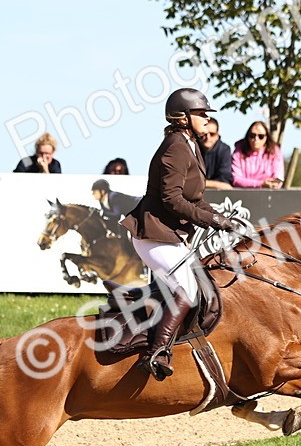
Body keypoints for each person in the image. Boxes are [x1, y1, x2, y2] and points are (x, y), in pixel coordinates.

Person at [120, 87, 241, 381]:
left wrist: (218, 217)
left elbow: (195, 198)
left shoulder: (190, 144)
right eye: (200, 114)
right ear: (182, 117)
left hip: (169, 235)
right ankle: (156, 353)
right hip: (153, 234)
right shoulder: (175, 145)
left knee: (198, 286)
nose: (206, 119)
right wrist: (211, 221)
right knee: (186, 290)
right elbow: (171, 199)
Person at [231, 121, 284, 189]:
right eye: (252, 135)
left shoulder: (275, 152)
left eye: (261, 136)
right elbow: (236, 179)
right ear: (247, 136)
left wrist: (273, 184)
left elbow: (279, 178)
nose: (256, 139)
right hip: (243, 195)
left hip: (269, 194)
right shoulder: (238, 152)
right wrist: (260, 184)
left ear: (266, 137)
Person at [198, 116, 233, 189]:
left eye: (212, 134)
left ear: (218, 135)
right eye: (204, 134)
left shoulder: (224, 149)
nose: (208, 137)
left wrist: (200, 183)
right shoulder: (192, 147)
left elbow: (225, 182)